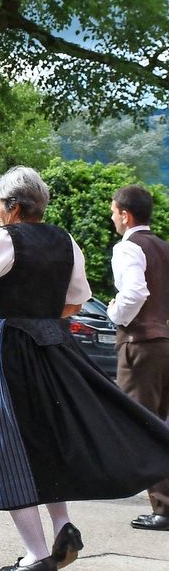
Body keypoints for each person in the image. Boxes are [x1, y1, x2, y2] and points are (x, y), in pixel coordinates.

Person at [0, 167, 169, 571]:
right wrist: (41, 314)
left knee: (7, 444)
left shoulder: (2, 238)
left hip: (11, 345)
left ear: (13, 206)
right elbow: (77, 301)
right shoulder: (65, 240)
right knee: (47, 438)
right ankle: (61, 525)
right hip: (55, 344)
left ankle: (35, 555)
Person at [107, 185, 169, 531]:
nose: (113, 217)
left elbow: (134, 292)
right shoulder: (163, 247)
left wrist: (116, 313)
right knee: (162, 423)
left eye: (114, 212)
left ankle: (163, 507)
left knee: (142, 424)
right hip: (165, 341)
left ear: (125, 214)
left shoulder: (129, 247)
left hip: (140, 344)